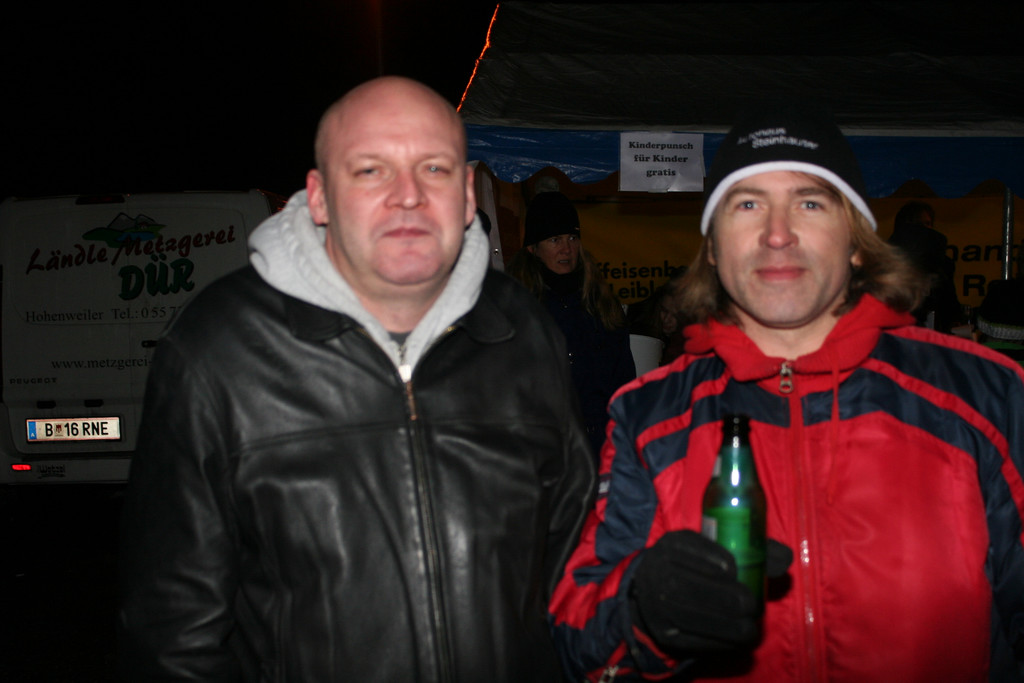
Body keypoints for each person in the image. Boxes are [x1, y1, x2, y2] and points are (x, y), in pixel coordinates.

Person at [117, 76, 595, 682]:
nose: (408, 196)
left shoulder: (522, 332)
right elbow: (172, 633)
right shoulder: (217, 351)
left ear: (466, 198)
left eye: (435, 169)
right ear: (319, 198)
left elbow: (574, 564)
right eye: (371, 170)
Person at [548, 102, 1024, 682]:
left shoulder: (984, 397)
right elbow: (577, 640)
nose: (777, 234)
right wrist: (641, 607)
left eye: (810, 202)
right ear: (713, 249)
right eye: (747, 204)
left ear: (855, 241)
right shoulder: (648, 417)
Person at [507, 191, 636, 460]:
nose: (566, 249)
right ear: (533, 248)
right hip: (544, 453)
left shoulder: (602, 305)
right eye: (555, 240)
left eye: (572, 238)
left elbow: (624, 384)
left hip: (603, 449)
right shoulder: (515, 308)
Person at [888, 200, 964, 333]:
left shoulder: (943, 263)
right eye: (917, 225)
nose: (922, 231)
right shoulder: (887, 260)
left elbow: (949, 300)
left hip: (935, 330)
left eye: (927, 224)